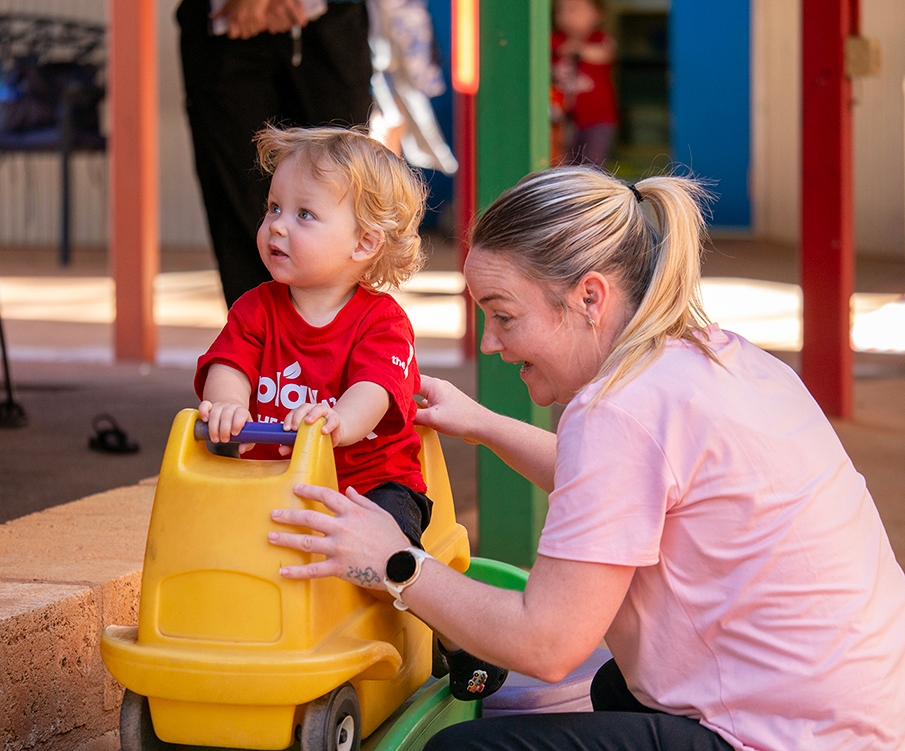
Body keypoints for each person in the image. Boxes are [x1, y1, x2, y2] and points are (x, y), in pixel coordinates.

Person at [265, 165, 905, 750]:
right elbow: (625, 488)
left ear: (590, 298)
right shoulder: (716, 354)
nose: (490, 344)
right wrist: (485, 425)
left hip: (787, 737)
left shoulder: (618, 410)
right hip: (863, 717)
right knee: (613, 692)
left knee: (457, 750)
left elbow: (546, 643)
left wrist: (396, 562)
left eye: (504, 316)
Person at [194, 125, 508, 701]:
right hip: (274, 481)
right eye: (273, 209)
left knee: (388, 551)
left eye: (304, 215)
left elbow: (376, 391)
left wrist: (341, 419)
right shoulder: (255, 308)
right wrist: (226, 405)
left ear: (363, 243)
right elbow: (229, 363)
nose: (277, 226)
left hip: (369, 483)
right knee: (211, 539)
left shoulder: (381, 321)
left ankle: (459, 637)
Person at [176, 0, 373, 308]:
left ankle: (340, 343)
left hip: (329, 23)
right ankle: (257, 344)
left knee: (343, 194)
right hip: (225, 26)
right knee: (242, 209)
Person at [550, 0, 618, 167]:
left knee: (593, 166)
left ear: (597, 14)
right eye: (561, 10)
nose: (567, 16)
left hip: (598, 119)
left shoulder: (600, 40)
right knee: (564, 165)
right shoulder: (554, 41)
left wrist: (576, 49)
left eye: (575, 10)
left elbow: (604, 54)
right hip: (562, 121)